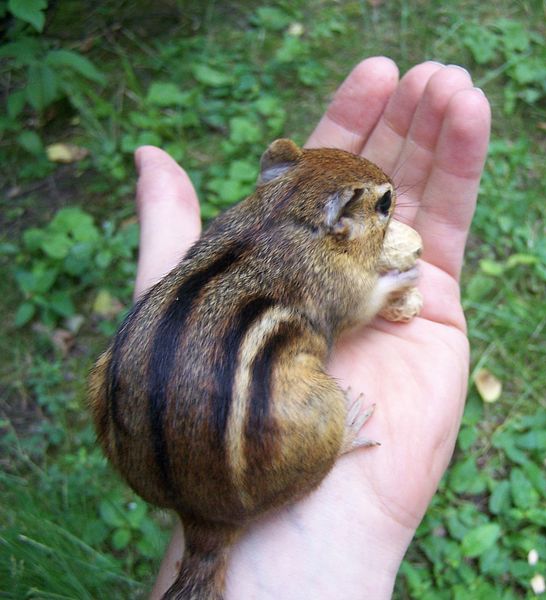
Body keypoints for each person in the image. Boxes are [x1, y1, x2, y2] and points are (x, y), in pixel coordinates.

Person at [138, 57, 491, 598]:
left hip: (147, 462)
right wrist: (389, 286)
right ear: (341, 220)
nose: (390, 221)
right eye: (383, 211)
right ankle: (319, 449)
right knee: (323, 410)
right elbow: (344, 312)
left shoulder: (242, 221)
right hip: (244, 470)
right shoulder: (325, 275)